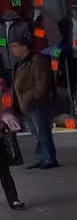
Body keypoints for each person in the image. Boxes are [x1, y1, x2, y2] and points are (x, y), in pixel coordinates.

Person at [8, 39, 56, 169]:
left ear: (25, 47)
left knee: (42, 131)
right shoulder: (18, 63)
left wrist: (31, 96)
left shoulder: (37, 60)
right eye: (11, 46)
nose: (13, 49)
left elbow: (42, 84)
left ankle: (49, 158)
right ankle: (41, 158)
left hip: (36, 102)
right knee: (36, 132)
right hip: (25, 103)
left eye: (15, 46)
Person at [0, 87, 20, 210]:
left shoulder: (5, 91)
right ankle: (13, 200)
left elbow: (6, 109)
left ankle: (13, 199)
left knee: (4, 171)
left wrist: (7, 119)